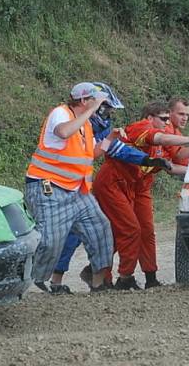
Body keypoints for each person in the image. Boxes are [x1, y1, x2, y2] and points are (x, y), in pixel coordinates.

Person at [47, 83, 171, 294]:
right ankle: (58, 280)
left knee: (94, 231)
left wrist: (144, 158)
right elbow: (111, 150)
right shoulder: (67, 118)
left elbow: (108, 149)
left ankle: (91, 282)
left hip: (79, 184)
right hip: (58, 184)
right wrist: (145, 158)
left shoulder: (93, 125)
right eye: (105, 108)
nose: (108, 113)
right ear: (89, 103)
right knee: (70, 233)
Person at [93, 100, 189, 290]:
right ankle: (115, 277)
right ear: (150, 118)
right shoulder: (142, 127)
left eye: (169, 119)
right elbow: (161, 140)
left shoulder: (168, 135)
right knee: (127, 231)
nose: (168, 123)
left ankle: (149, 276)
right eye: (164, 118)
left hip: (138, 184)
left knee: (146, 231)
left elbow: (174, 161)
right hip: (114, 182)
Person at [25, 82, 117, 293]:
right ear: (84, 101)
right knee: (50, 241)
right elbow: (63, 132)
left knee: (101, 228)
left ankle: (98, 284)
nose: (103, 109)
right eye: (100, 103)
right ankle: (32, 284)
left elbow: (90, 154)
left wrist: (110, 140)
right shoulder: (61, 113)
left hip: (77, 190)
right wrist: (92, 110)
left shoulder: (85, 124)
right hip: (48, 187)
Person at [163, 96, 189, 170]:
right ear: (169, 113)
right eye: (181, 114)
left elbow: (180, 158)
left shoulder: (175, 130)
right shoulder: (166, 127)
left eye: (187, 115)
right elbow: (178, 155)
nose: (185, 119)